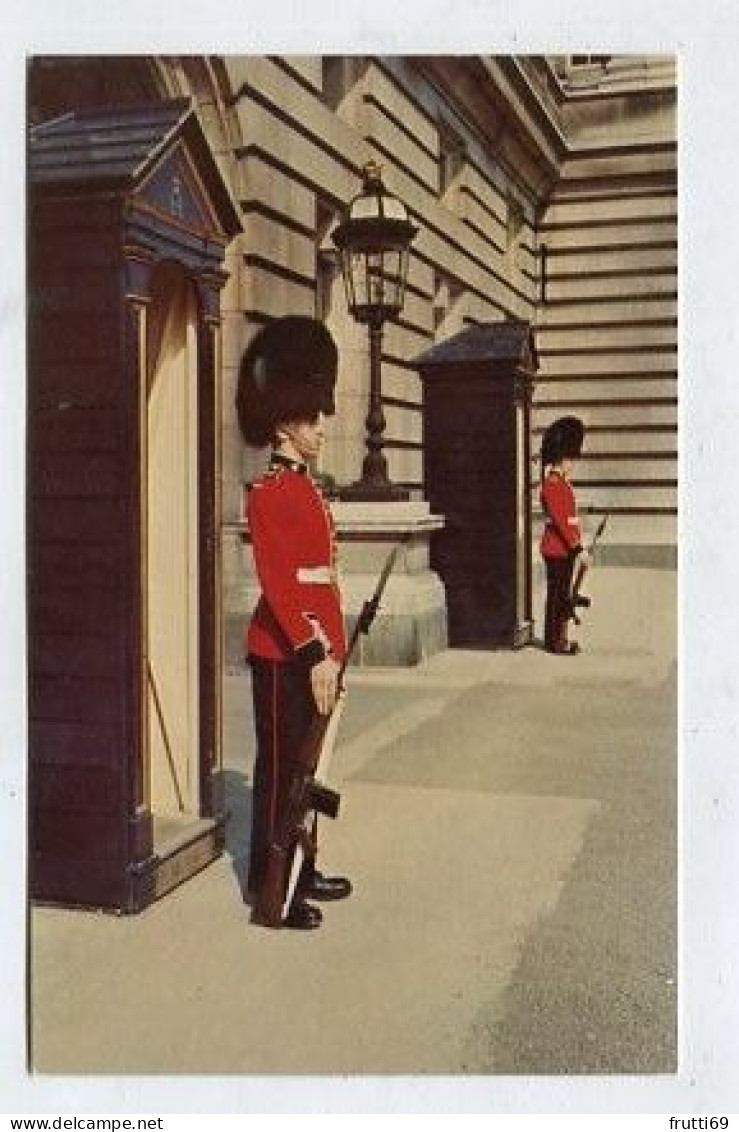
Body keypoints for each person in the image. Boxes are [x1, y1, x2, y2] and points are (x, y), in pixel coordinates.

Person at [236, 315, 352, 930]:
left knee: (311, 768)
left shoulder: (306, 489)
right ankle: (269, 890)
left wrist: (332, 649)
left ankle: (302, 871)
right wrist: (315, 653)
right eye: (312, 418)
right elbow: (282, 587)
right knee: (282, 772)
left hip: (315, 653)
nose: (321, 428)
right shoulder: (271, 492)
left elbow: (319, 577)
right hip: (285, 656)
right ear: (283, 421)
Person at [539, 415, 590, 656]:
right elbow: (561, 521)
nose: (573, 464)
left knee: (562, 596)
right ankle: (556, 643)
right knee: (559, 597)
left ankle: (559, 639)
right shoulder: (554, 485)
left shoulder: (561, 484)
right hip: (558, 549)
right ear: (562, 459)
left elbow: (570, 518)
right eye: (570, 459)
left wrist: (578, 541)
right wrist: (578, 548)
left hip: (563, 548)